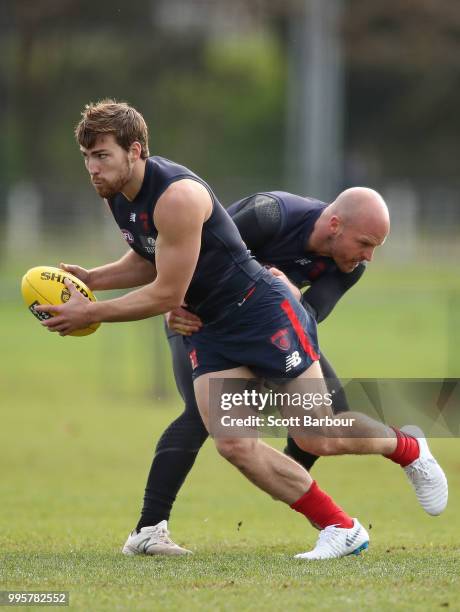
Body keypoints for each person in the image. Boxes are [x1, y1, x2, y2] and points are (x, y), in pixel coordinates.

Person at [36, 100, 447, 560]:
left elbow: (166, 292)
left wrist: (92, 313)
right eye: (87, 158)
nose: (93, 168)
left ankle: (408, 446)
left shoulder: (179, 196)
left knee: (317, 435)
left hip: (262, 314)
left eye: (102, 156)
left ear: (135, 151)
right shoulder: (120, 196)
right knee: (233, 443)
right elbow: (154, 253)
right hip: (211, 328)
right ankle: (340, 526)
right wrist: (93, 279)